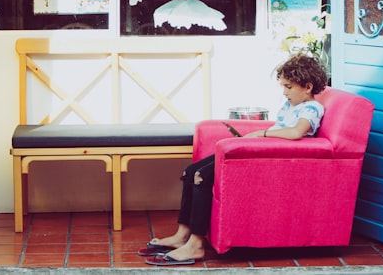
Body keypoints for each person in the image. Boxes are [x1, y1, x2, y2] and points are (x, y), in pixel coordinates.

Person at [140, 53, 329, 266]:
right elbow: (282, 127)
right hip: (257, 150)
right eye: (283, 86)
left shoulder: (312, 108)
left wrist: (261, 134)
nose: (284, 92)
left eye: (289, 87)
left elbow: (295, 133)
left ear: (308, 87)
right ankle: (182, 234)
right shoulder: (292, 105)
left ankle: (195, 244)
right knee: (191, 171)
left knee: (202, 176)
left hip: (265, 160)